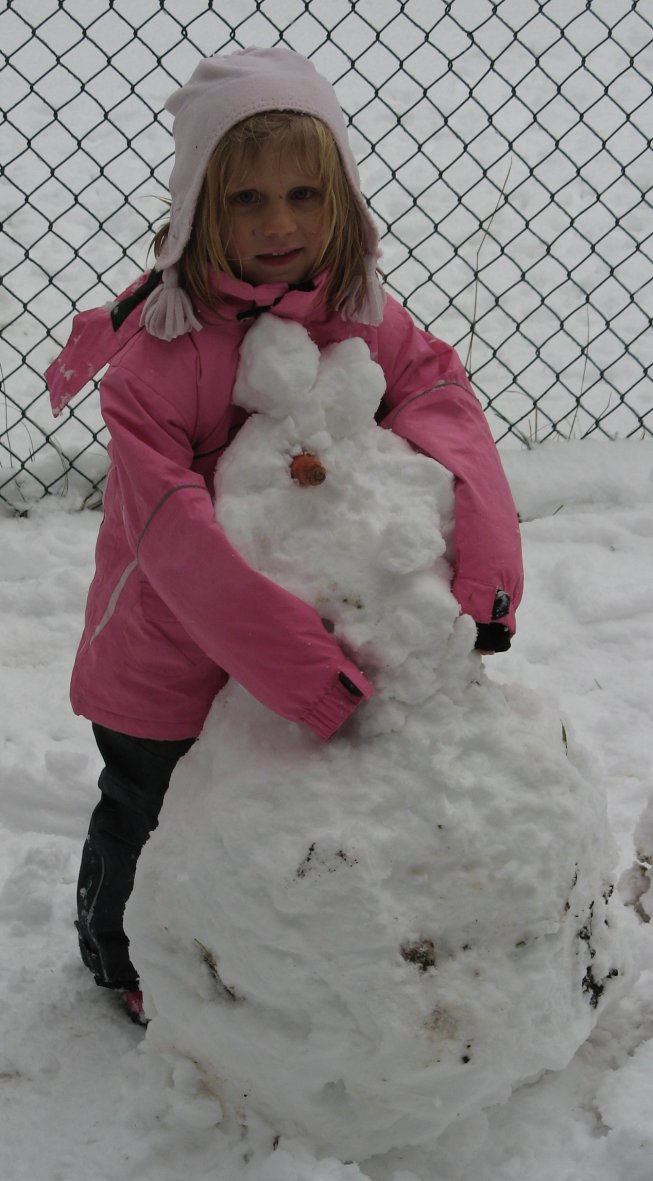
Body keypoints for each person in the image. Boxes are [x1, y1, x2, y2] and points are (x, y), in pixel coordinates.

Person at [46, 47, 523, 1026]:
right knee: (149, 806)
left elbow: (435, 390)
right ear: (195, 208)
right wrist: (300, 667)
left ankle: (257, 944)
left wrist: (484, 569)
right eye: (245, 200)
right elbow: (174, 537)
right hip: (168, 659)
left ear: (340, 200)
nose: (278, 225)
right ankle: (114, 948)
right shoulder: (157, 360)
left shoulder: (354, 313)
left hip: (301, 640)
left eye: (305, 194)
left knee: (256, 809)